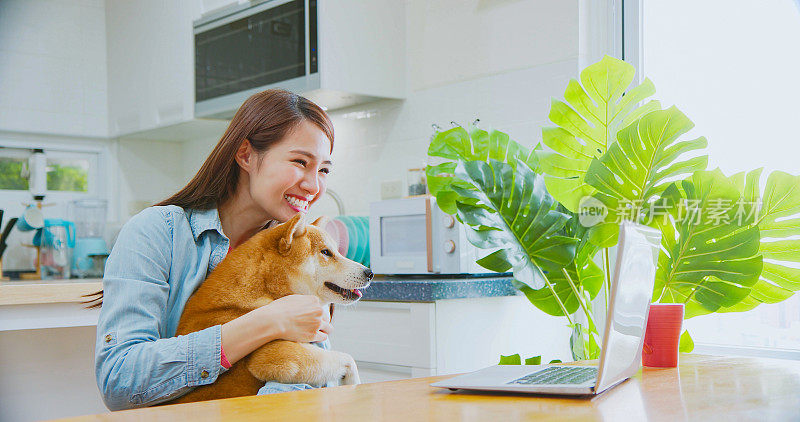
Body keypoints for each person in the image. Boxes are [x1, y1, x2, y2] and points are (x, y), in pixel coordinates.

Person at [94, 89, 336, 410]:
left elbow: (315, 373)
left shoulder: (294, 253)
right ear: (246, 155)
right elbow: (119, 380)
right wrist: (266, 323)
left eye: (323, 170)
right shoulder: (156, 232)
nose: (314, 185)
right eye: (299, 162)